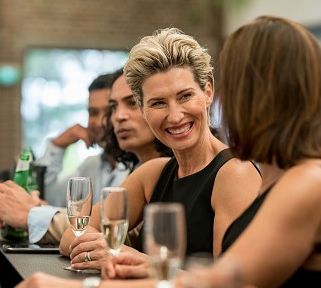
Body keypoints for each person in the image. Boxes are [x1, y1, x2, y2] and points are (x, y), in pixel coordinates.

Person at [102, 16, 321, 287]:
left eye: (236, 85)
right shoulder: (283, 175)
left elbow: (224, 283)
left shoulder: (306, 181)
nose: (226, 101)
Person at [59, 27, 261, 272]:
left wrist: (134, 260)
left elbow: (228, 281)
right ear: (143, 109)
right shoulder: (152, 174)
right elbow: (71, 235)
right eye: (158, 103)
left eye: (185, 96)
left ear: (207, 92)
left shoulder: (234, 174)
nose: (175, 116)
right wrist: (107, 250)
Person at [0, 69, 171, 244]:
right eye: (113, 108)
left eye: (132, 103)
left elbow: (118, 232)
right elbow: (61, 204)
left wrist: (31, 213)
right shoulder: (94, 164)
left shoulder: (163, 168)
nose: (116, 118)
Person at [35, 73, 129, 207]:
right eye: (93, 113)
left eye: (109, 111)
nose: (98, 123)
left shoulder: (141, 164)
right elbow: (50, 199)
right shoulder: (91, 165)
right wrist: (57, 146)